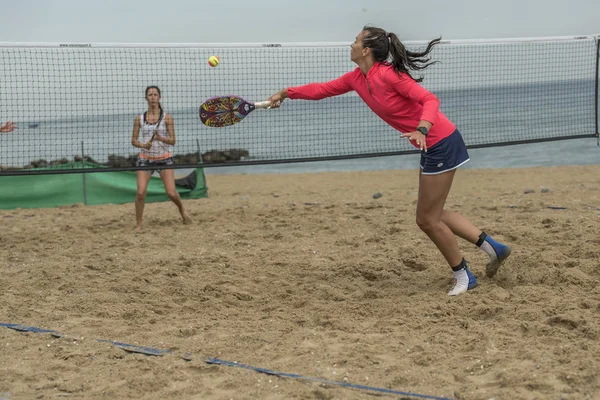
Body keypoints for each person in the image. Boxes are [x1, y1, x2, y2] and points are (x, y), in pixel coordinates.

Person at [268, 26, 511, 296]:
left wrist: (422, 128)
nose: (350, 45)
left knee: (426, 220)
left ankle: (464, 275)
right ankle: (494, 248)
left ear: (366, 50)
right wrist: (286, 93)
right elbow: (322, 89)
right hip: (433, 143)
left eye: (355, 41)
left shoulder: (390, 75)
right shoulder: (357, 78)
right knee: (433, 214)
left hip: (440, 141)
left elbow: (430, 99)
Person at [131, 86, 192, 232]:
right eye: (150, 94)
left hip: (164, 158)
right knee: (140, 193)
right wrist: (143, 144)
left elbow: (173, 141)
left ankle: (182, 210)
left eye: (155, 94)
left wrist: (160, 138)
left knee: (171, 192)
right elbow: (133, 140)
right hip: (145, 159)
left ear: (159, 97)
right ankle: (138, 225)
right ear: (146, 98)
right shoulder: (140, 118)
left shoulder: (167, 118)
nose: (152, 97)